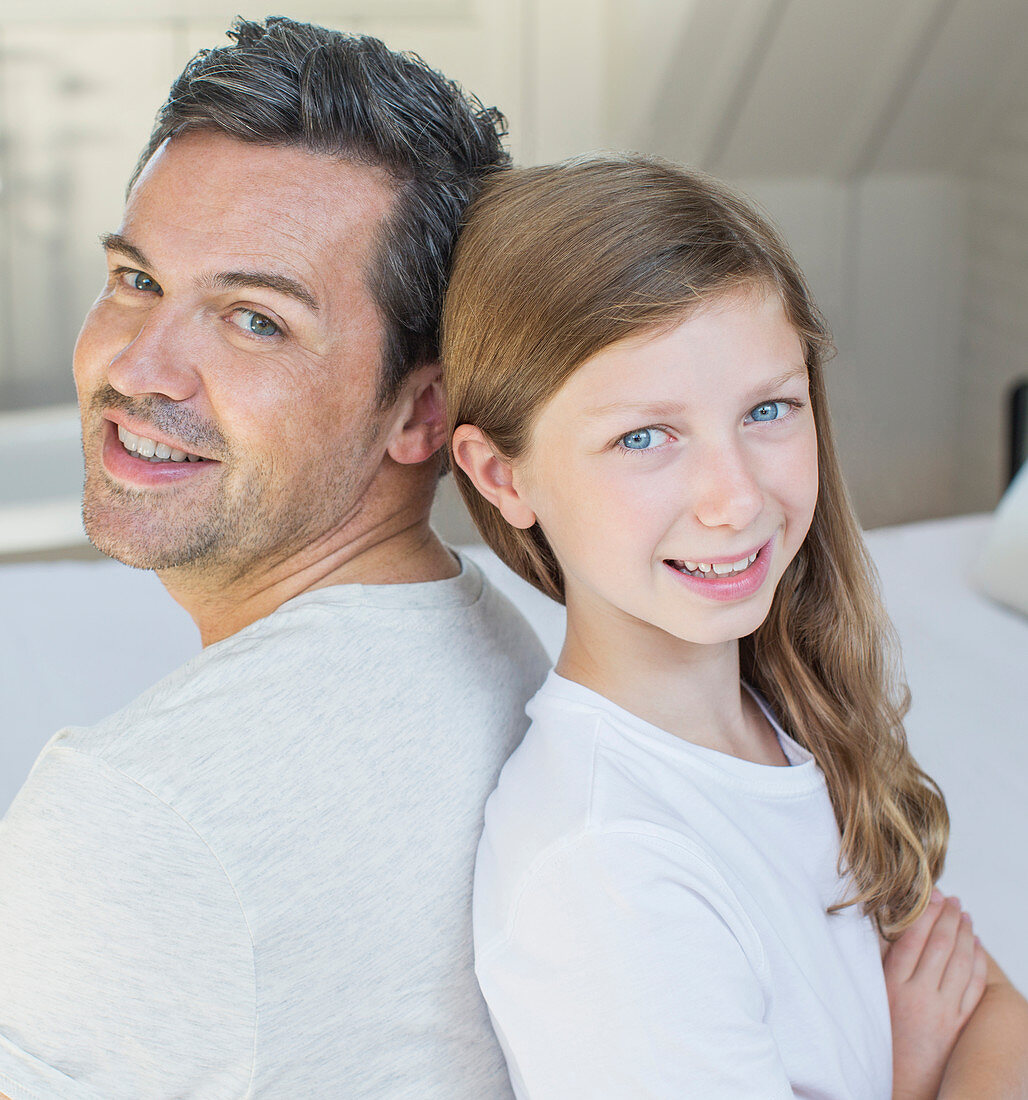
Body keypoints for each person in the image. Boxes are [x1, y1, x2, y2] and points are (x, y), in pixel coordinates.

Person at [0, 17, 548, 1098]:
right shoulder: (488, 635)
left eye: (253, 321)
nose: (143, 367)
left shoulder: (132, 812)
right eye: (138, 279)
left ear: (421, 410)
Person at [443, 155, 1028, 1098]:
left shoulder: (799, 701)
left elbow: (998, 1014)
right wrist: (905, 1066)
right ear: (503, 477)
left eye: (768, 409)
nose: (737, 497)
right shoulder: (608, 878)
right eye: (644, 436)